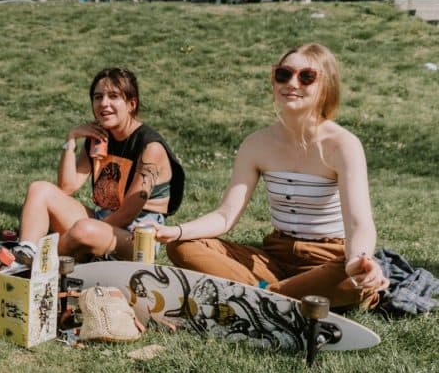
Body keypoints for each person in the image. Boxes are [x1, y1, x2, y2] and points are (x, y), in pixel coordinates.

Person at [159, 43, 387, 310]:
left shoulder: (343, 145)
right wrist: (175, 231)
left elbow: (359, 223)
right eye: (283, 74)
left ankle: (257, 296)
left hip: (328, 259)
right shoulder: (257, 143)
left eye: (306, 76)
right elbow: (225, 216)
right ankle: (277, 296)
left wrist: (357, 261)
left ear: (326, 85)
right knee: (182, 247)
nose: (292, 83)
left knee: (353, 279)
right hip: (275, 258)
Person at [13, 67, 184, 264]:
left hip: (137, 238)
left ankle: (38, 263)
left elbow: (129, 212)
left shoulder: (150, 147)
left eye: (113, 96)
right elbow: (67, 187)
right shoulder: (99, 137)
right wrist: (71, 139)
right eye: (98, 97)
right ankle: (25, 250)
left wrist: (91, 227)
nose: (104, 103)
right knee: (39, 189)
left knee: (83, 230)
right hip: (102, 220)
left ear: (131, 104)